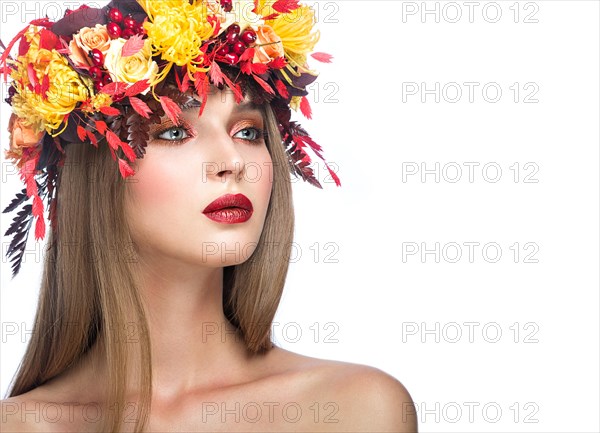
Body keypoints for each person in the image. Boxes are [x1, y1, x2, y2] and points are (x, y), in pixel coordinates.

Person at [0, 1, 417, 431]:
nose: (232, 160)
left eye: (248, 132)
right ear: (95, 172)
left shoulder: (353, 410)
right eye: (175, 132)